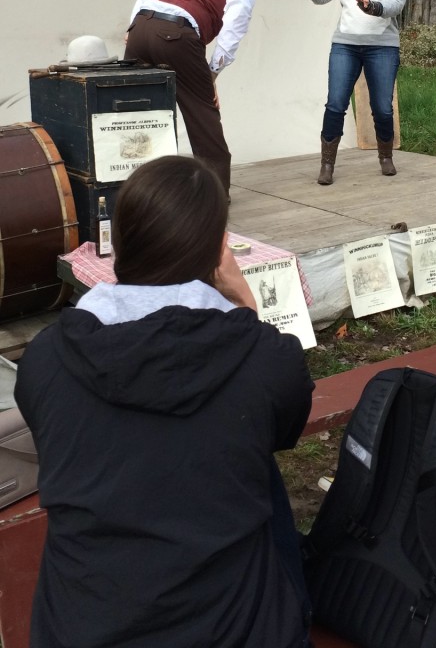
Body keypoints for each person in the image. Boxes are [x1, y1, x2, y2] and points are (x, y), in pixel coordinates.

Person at [15, 155, 314, 648]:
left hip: (79, 630)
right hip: (239, 632)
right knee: (254, 463)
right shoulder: (267, 359)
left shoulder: (46, 359)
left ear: (117, 247)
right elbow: (282, 430)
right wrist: (246, 313)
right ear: (221, 250)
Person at [125, 0, 264, 197]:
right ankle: (216, 194)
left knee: (135, 111)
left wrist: (131, 27)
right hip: (175, 34)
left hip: (140, 28)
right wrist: (211, 76)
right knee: (203, 115)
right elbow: (231, 34)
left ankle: (130, 188)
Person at [301, 0, 408, 185]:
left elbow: (396, 5)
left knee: (382, 108)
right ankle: (327, 165)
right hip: (345, 45)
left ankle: (385, 156)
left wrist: (372, 7)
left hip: (382, 47)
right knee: (335, 104)